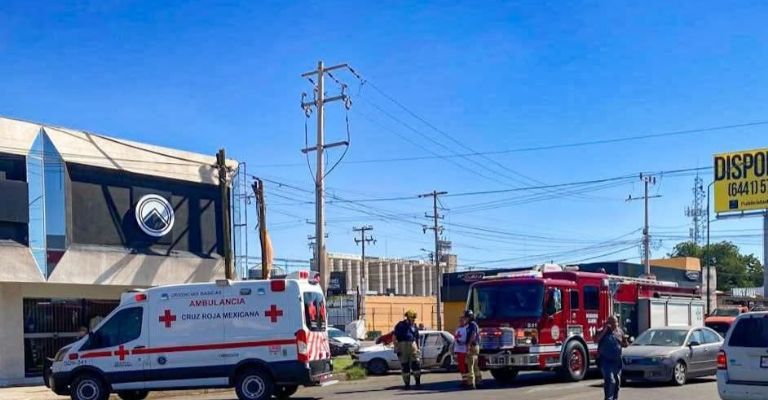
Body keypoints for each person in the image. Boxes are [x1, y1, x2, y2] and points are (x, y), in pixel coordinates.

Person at [595, 316, 628, 400]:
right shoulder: (602, 331)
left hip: (617, 361)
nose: (615, 324)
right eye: (612, 322)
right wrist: (605, 330)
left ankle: (615, 398)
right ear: (608, 323)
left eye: (616, 322)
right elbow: (596, 340)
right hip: (605, 361)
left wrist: (625, 341)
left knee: (617, 382)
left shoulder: (620, 331)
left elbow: (625, 344)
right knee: (610, 381)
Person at [393, 309, 421, 390]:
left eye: (414, 319)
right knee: (405, 367)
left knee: (416, 365)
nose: (413, 320)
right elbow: (394, 337)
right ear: (407, 318)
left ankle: (418, 383)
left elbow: (417, 338)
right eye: (412, 319)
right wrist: (396, 347)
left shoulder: (414, 326)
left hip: (413, 345)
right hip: (402, 346)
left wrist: (418, 348)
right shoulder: (400, 325)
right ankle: (407, 385)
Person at [464, 310, 482, 389]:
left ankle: (471, 383)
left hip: (472, 346)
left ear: (469, 317)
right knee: (475, 365)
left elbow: (473, 335)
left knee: (470, 365)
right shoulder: (474, 324)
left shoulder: (472, 325)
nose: (465, 319)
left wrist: (468, 345)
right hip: (475, 346)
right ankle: (478, 381)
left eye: (466, 317)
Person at [453, 315, 470, 388]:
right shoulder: (458, 329)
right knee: (460, 367)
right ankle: (464, 380)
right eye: (460, 320)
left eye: (462, 320)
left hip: (463, 350)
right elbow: (455, 338)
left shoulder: (466, 329)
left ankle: (466, 381)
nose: (460, 322)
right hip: (458, 350)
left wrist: (459, 341)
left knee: (464, 366)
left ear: (465, 321)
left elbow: (464, 339)